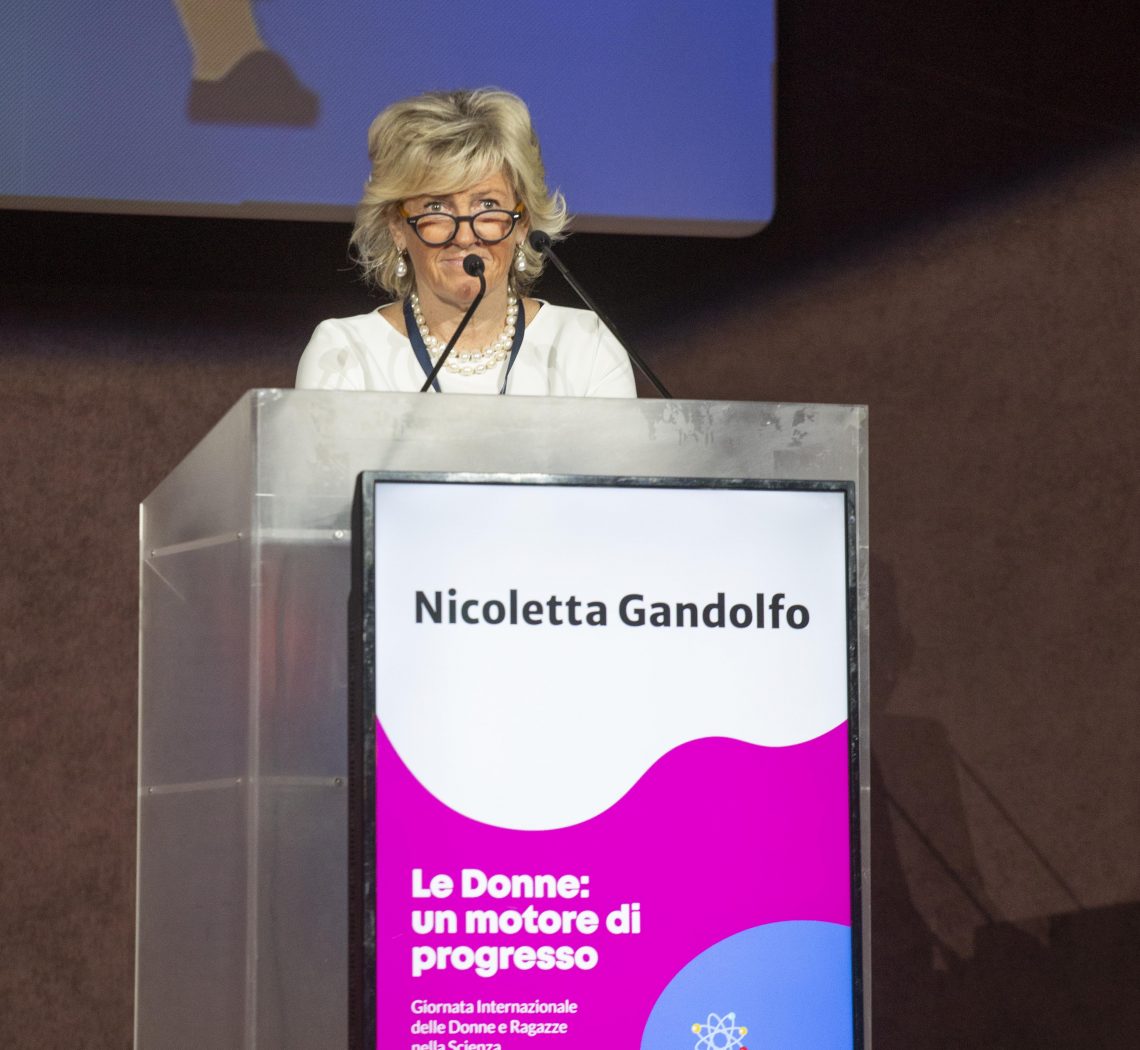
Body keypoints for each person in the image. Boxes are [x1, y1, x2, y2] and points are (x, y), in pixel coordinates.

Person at [295, 89, 635, 397]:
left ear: (522, 223)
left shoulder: (586, 347)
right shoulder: (343, 354)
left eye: (487, 205)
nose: (464, 236)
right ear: (397, 226)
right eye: (436, 208)